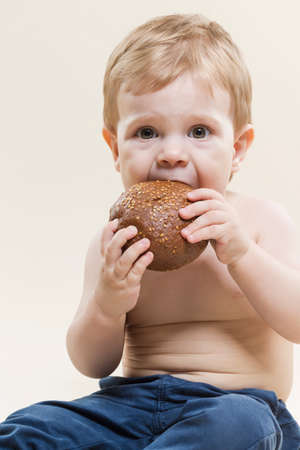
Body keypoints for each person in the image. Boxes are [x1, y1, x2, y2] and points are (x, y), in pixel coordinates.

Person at [1, 13, 300, 450]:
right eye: (147, 132)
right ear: (116, 149)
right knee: (31, 425)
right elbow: (92, 362)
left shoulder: (258, 223)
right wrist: (108, 302)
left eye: (199, 131)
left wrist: (243, 256)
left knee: (236, 426)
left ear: (236, 148)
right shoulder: (114, 244)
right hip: (128, 408)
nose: (173, 153)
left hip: (237, 406)